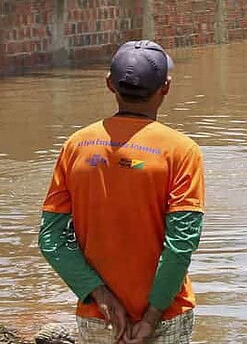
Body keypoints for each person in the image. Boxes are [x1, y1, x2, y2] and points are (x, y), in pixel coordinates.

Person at [39, 40, 204, 344]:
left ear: (109, 85)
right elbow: (180, 245)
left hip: (99, 316)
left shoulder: (75, 146)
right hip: (166, 315)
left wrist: (98, 293)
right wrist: (152, 315)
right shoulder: (182, 151)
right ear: (165, 87)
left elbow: (52, 240)